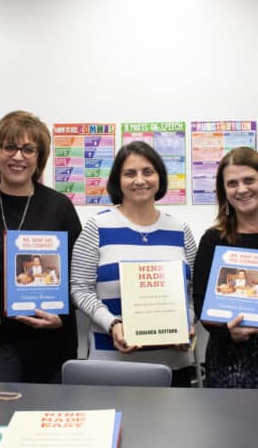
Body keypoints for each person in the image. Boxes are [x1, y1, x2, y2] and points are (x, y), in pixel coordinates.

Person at [0, 110, 82, 383]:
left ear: (40, 157)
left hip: (47, 341)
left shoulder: (59, 206)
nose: (18, 157)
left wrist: (61, 318)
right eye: (10, 147)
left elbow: (77, 276)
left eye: (29, 149)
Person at [70, 141, 197, 387]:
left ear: (160, 177)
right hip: (111, 363)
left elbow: (193, 291)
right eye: (130, 173)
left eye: (148, 172)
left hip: (172, 365)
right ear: (118, 181)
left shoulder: (180, 230)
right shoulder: (97, 227)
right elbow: (79, 288)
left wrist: (187, 322)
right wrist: (112, 324)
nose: (140, 180)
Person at [193, 146, 258, 389]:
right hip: (228, 358)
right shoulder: (213, 239)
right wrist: (227, 333)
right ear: (224, 191)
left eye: (249, 180)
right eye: (232, 183)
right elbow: (200, 302)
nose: (241, 189)